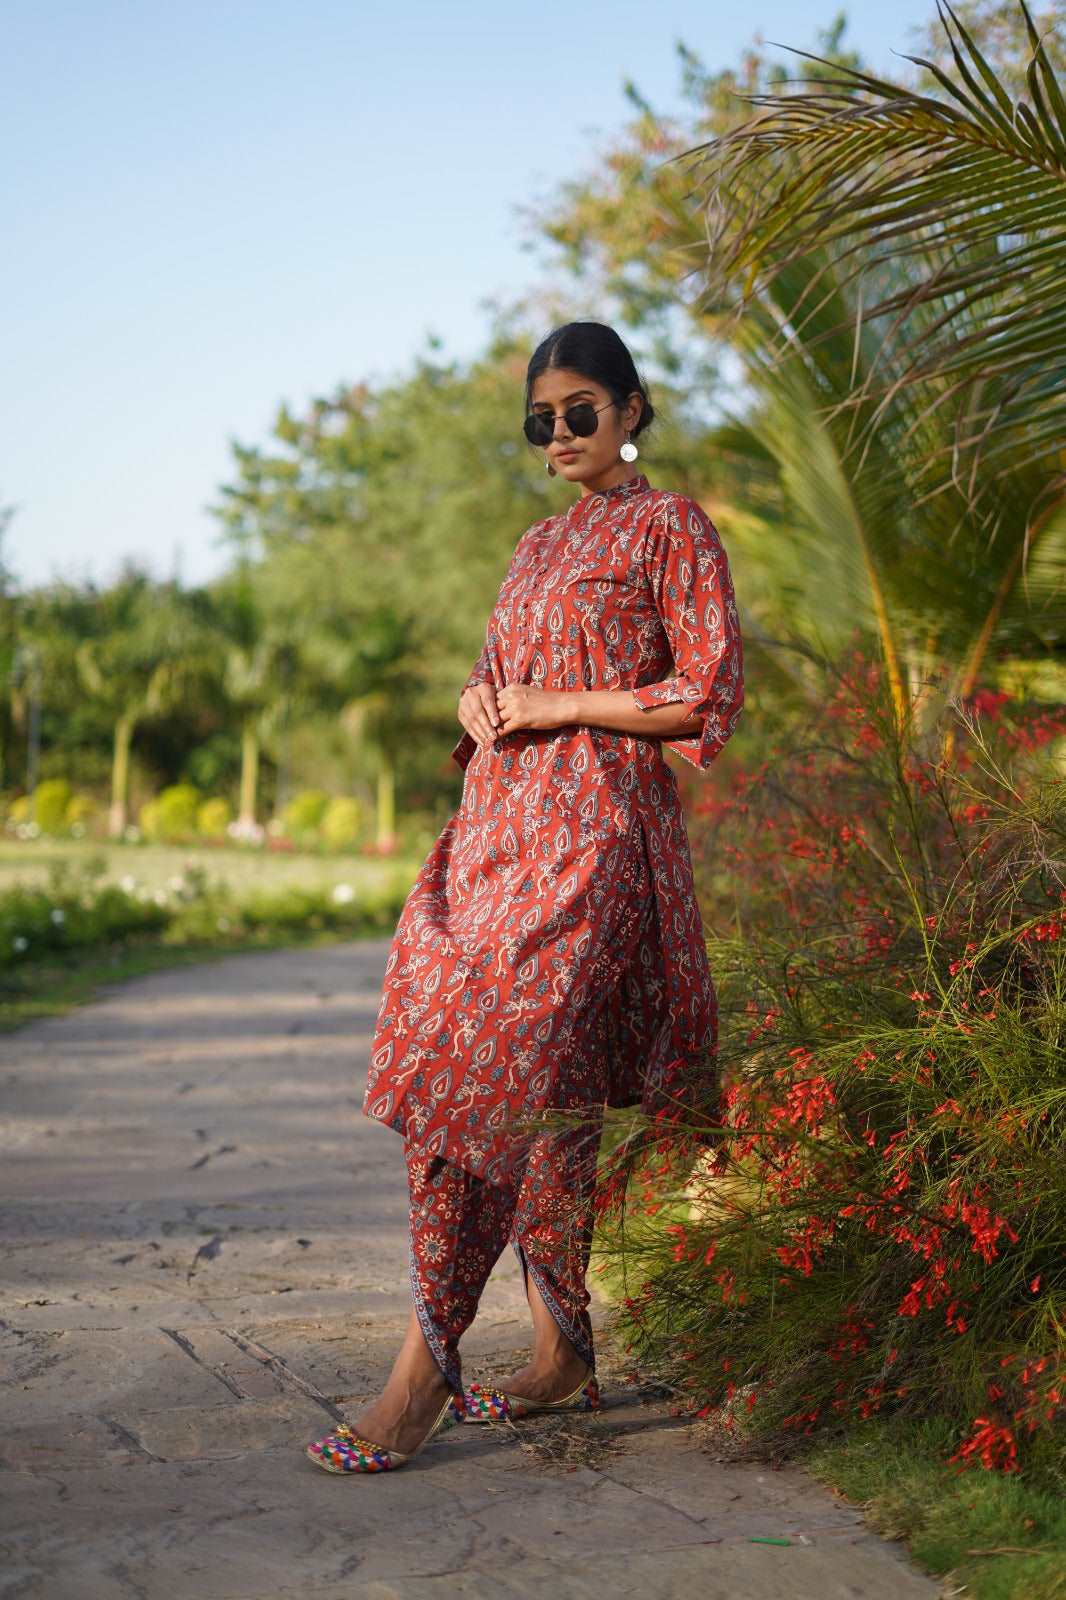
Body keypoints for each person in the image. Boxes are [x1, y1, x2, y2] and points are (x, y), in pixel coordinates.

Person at [305, 320, 744, 1475]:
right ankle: (560, 1353)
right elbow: (501, 673)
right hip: (496, 830)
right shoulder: (534, 542)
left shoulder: (669, 526)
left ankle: (420, 1371)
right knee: (502, 1065)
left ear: (632, 410)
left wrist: (558, 705)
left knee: (496, 1076)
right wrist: (480, 700)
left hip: (596, 837)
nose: (558, 434)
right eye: (539, 419)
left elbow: (701, 693)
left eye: (579, 411)